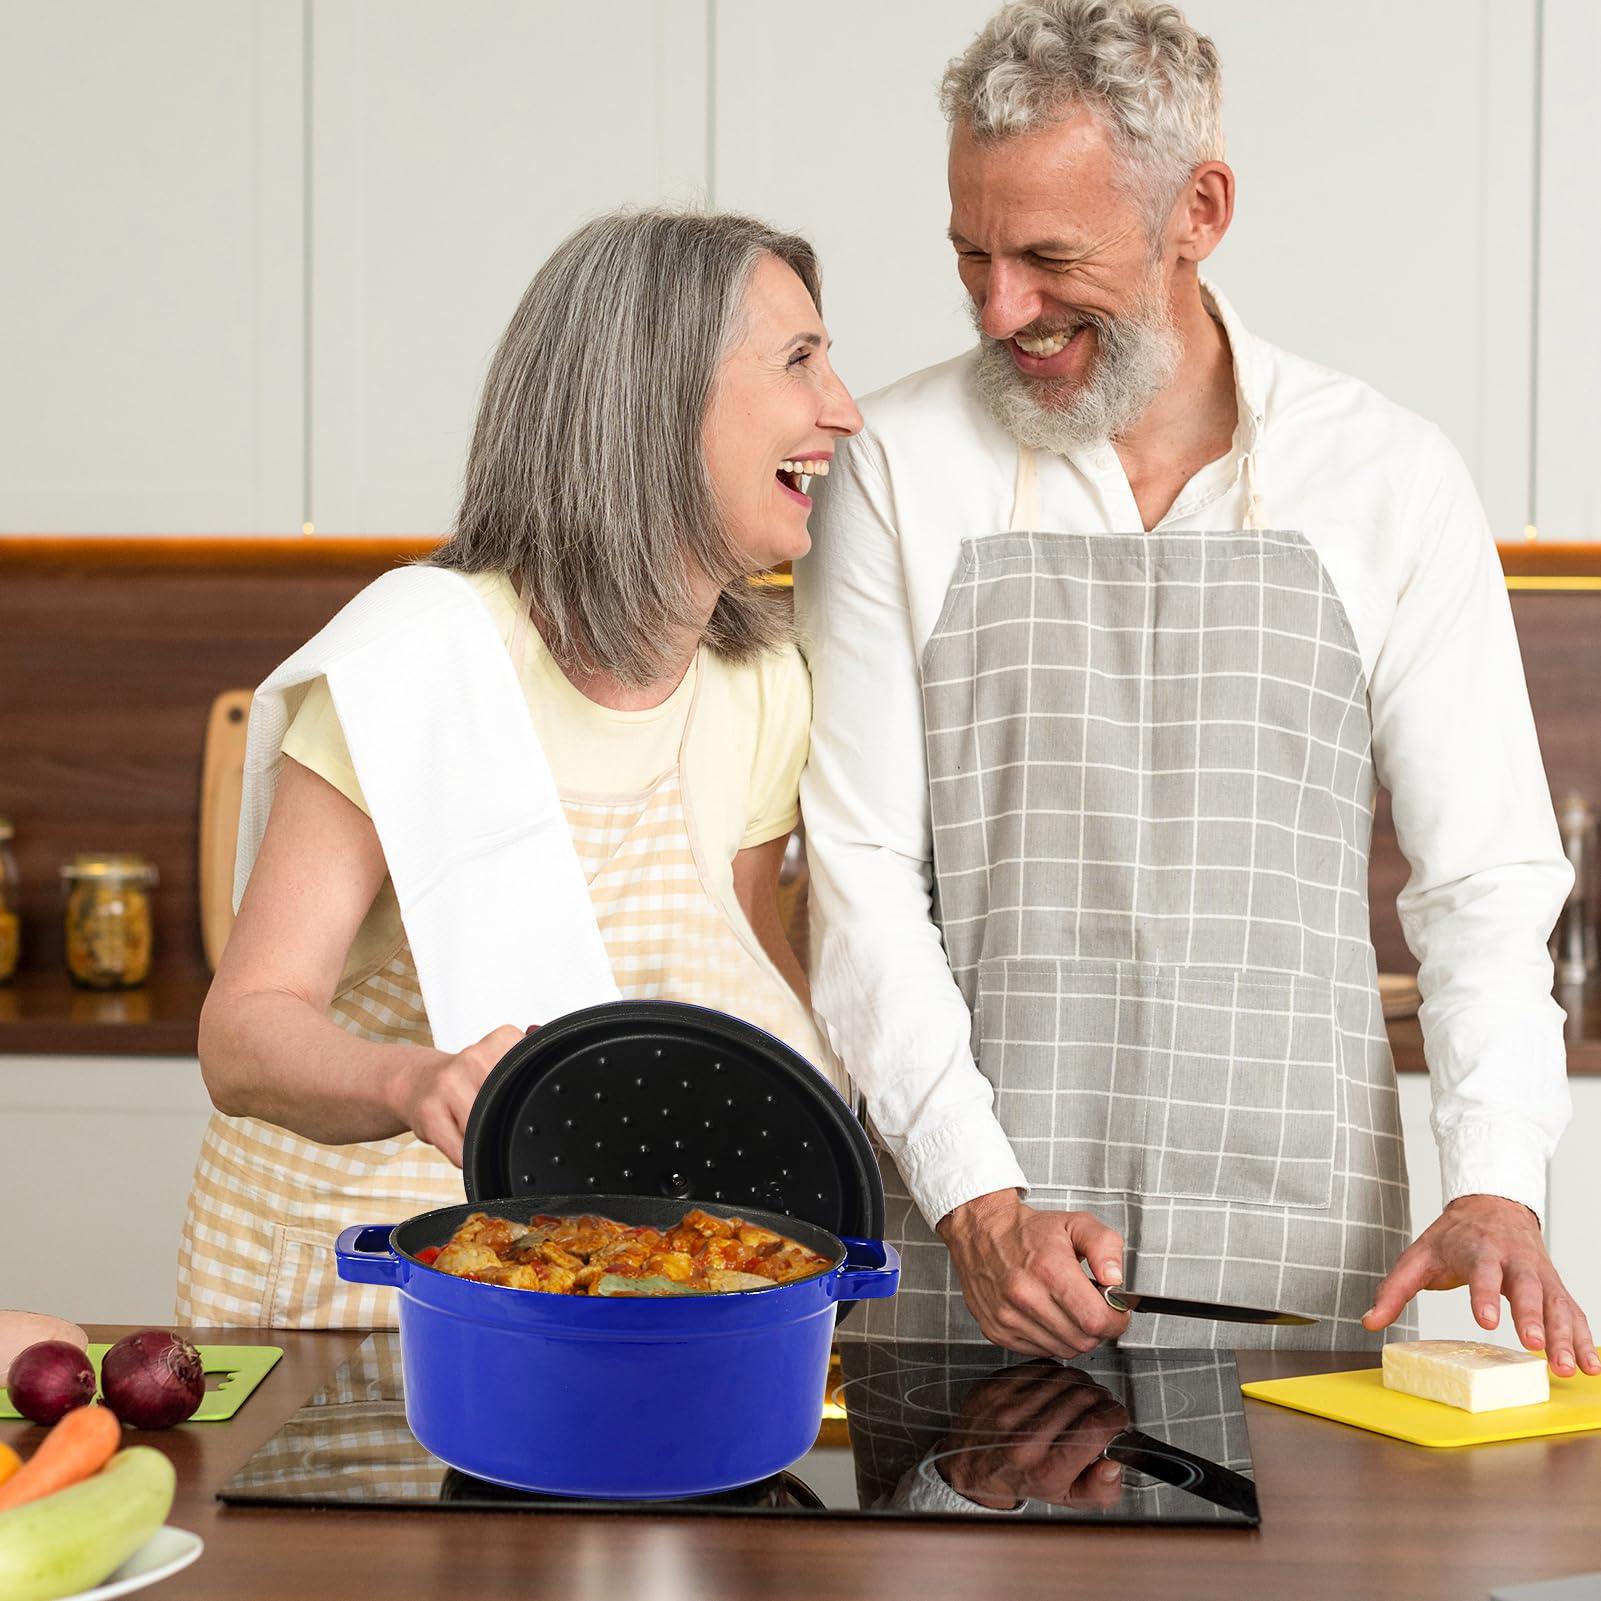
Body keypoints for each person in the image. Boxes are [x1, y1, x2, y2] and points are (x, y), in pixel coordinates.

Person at [796, 0, 1599, 1373]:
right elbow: (856, 869)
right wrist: (978, 1201)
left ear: (1199, 210)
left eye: (1051, 257)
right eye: (971, 255)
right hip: (975, 1243)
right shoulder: (894, 466)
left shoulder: (1387, 480)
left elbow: (1482, 883)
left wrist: (1497, 1175)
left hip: (1295, 1251)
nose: (1003, 310)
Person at [175, 209, 862, 1327]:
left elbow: (745, 959)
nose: (842, 406)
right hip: (350, 1290)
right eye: (798, 361)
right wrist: (412, 1079)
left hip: (595, 1280)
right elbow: (243, 1028)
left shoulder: (759, 679)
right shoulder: (417, 657)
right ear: (658, 399)